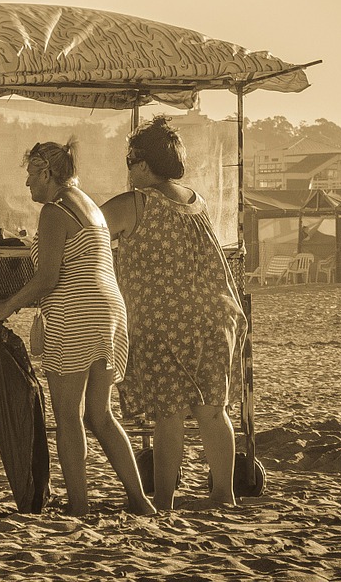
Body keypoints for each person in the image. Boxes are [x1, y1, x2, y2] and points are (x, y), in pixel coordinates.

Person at [0, 141, 154, 516]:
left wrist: (5, 308)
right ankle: (140, 501)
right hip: (110, 310)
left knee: (68, 416)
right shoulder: (89, 204)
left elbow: (47, 279)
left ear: (47, 173)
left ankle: (79, 505)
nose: (27, 183)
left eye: (31, 174)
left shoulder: (53, 210)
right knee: (100, 415)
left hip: (76, 314)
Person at [100, 115, 246, 510]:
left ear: (144, 165)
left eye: (130, 161)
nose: (127, 169)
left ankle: (163, 500)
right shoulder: (195, 202)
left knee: (169, 415)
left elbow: (85, 229)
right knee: (213, 411)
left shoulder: (135, 203)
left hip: (166, 323)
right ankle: (223, 494)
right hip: (216, 318)